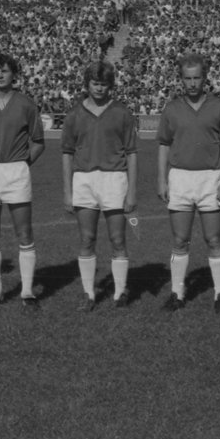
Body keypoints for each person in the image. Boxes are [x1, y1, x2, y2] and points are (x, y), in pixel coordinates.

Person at [156, 53, 220, 313]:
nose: (192, 83)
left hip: (210, 178)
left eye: (197, 78)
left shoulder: (218, 106)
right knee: (180, 240)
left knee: (213, 239)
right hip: (179, 178)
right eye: (187, 78)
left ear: (205, 78)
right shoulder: (172, 108)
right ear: (181, 79)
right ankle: (177, 293)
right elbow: (164, 146)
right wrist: (161, 179)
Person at [0, 53, 45, 309]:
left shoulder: (26, 105)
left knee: (24, 233)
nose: (0, 75)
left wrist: (23, 164)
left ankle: (26, 292)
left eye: (5, 70)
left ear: (14, 74)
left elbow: (38, 142)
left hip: (16, 172)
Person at [61, 60, 138, 312]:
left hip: (114, 178)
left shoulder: (122, 113)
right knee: (87, 238)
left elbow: (132, 153)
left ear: (111, 86)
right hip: (83, 179)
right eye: (95, 83)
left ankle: (119, 292)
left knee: (117, 238)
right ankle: (89, 293)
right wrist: (67, 191)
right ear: (87, 84)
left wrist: (132, 192)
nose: (99, 88)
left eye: (104, 84)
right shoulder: (74, 114)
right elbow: (67, 153)